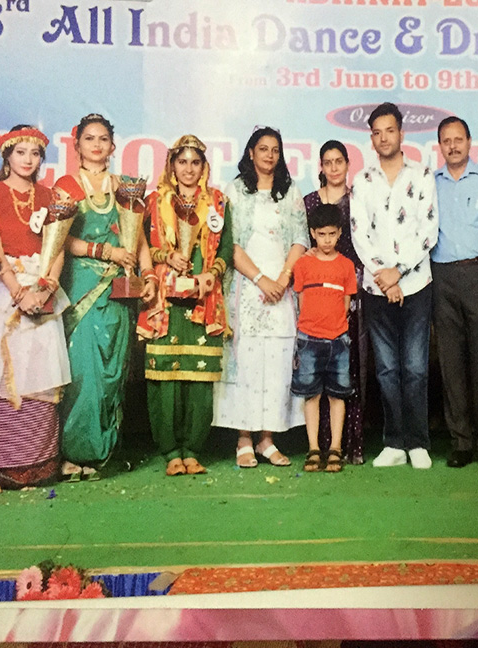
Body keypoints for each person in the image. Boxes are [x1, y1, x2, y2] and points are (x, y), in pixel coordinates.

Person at [55, 113, 157, 480]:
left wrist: (148, 274)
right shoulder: (67, 186)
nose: (96, 145)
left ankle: (102, 453)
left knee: (113, 373)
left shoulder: (125, 188)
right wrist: (103, 251)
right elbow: (58, 240)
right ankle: (74, 453)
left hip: (119, 291)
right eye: (89, 139)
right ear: (77, 145)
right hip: (82, 289)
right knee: (84, 372)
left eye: (103, 139)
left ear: (113, 146)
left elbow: (138, 238)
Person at [0, 125, 72, 493]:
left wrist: (45, 288)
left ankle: (39, 466)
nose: (28, 160)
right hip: (7, 292)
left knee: (41, 375)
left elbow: (58, 248)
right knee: (4, 377)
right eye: (21, 152)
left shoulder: (51, 197)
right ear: (7, 156)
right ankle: (1, 469)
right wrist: (19, 293)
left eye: (35, 153)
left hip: (43, 291)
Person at [137, 135, 232, 476]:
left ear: (204, 167)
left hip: (203, 299)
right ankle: (170, 452)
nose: (189, 169)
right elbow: (142, 246)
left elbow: (226, 248)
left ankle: (193, 449)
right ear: (172, 166)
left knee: (199, 378)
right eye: (182, 162)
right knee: (165, 378)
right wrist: (166, 256)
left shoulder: (218, 202)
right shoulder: (154, 202)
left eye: (195, 162)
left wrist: (212, 274)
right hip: (164, 301)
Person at [214, 126, 308, 467]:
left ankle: (267, 439)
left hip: (282, 290)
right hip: (247, 288)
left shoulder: (290, 191)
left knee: (277, 362)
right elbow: (229, 244)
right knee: (248, 363)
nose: (269, 155)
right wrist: (260, 279)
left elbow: (300, 238)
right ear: (251, 153)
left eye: (275, 150)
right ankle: (244, 438)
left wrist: (282, 278)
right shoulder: (235, 191)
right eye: (263, 148)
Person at [351, 102, 439, 469]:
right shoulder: (362, 181)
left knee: (415, 367)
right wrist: (383, 277)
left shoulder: (422, 175)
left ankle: (418, 443)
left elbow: (428, 231)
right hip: (376, 288)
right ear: (371, 139)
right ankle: (394, 443)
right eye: (377, 132)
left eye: (390, 130)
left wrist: (398, 272)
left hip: (416, 284)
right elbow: (359, 234)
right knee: (386, 369)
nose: (384, 137)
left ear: (402, 134)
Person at [431, 116, 478, 468]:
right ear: (440, 146)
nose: (453, 146)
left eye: (458, 139)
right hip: (441, 274)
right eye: (446, 141)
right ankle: (460, 441)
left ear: (470, 142)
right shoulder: (430, 184)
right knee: (451, 361)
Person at [304, 140, 367, 464]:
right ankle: (318, 444)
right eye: (327, 162)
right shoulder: (309, 202)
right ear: (321, 166)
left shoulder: (359, 200)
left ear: (347, 164)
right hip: (316, 301)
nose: (333, 167)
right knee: (318, 372)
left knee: (347, 369)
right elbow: (303, 249)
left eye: (338, 161)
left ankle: (346, 444)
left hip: (349, 295)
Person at [291, 204, 358, 473]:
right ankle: (313, 448)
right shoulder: (303, 264)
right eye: (321, 234)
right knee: (311, 395)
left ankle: (336, 448)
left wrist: (336, 327)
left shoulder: (346, 265)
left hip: (338, 340)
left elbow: (346, 302)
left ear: (340, 233)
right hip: (309, 339)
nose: (327, 240)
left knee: (338, 395)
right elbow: (300, 297)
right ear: (312, 233)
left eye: (332, 234)